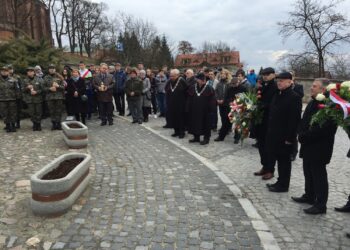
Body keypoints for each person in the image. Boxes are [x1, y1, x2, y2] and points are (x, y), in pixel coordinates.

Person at [291, 78, 337, 214]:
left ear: (323, 89)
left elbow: (325, 128)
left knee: (318, 175)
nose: (311, 88)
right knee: (308, 171)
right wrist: (300, 132)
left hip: (319, 146)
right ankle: (309, 195)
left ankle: (321, 204)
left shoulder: (329, 105)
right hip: (308, 144)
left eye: (315, 86)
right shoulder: (313, 101)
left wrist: (305, 135)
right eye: (312, 85)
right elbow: (304, 120)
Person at [265, 72, 302, 192]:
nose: (279, 82)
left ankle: (283, 185)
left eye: (282, 80)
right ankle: (280, 181)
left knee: (284, 162)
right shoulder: (278, 94)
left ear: (289, 82)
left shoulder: (294, 97)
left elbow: (294, 120)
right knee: (278, 159)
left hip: (285, 137)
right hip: (274, 134)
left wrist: (290, 138)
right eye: (278, 80)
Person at [253, 67, 278, 180]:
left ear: (273, 75)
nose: (265, 76)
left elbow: (272, 103)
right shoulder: (263, 85)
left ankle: (270, 170)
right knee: (261, 145)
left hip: (269, 120)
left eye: (268, 74)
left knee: (269, 147)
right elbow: (258, 98)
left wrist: (260, 106)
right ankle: (264, 166)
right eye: (264, 74)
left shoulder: (275, 86)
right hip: (260, 120)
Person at [187, 73, 216, 145]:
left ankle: (206, 139)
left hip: (205, 111)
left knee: (206, 124)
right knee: (195, 123)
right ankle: (196, 137)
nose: (202, 81)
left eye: (203, 80)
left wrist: (211, 109)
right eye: (200, 80)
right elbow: (189, 98)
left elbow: (212, 100)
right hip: (195, 110)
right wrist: (188, 107)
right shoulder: (193, 87)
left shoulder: (209, 88)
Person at [165, 69, 188, 139]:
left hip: (180, 104)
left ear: (177, 75)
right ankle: (176, 131)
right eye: (170, 76)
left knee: (180, 118)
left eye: (173, 76)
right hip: (172, 103)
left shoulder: (182, 81)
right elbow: (166, 89)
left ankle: (182, 132)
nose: (171, 77)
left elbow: (186, 92)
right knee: (174, 118)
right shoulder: (169, 81)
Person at [43, 64, 65, 130]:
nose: (52, 69)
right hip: (50, 97)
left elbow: (64, 87)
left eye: (53, 68)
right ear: (48, 70)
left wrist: (58, 86)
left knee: (59, 111)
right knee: (52, 111)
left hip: (59, 97)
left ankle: (58, 124)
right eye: (50, 68)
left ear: (55, 69)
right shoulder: (45, 78)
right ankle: (53, 124)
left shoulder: (60, 77)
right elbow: (43, 88)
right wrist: (49, 89)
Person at [290, 71, 304, 161]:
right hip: (286, 112)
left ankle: (294, 153)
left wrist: (292, 88)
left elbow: (300, 95)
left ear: (294, 78)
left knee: (293, 134)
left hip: (295, 112)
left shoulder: (298, 86)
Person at [0, 65, 19, 132]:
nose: (4, 72)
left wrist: (18, 98)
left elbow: (17, 90)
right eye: (2, 71)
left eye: (6, 71)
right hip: (2, 100)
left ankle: (13, 126)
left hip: (12, 99)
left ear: (8, 72)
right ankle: (7, 126)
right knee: (5, 113)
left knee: (13, 113)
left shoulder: (14, 80)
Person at [215, 69, 231, 138]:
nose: (222, 75)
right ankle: (224, 128)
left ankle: (227, 129)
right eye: (221, 74)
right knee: (222, 116)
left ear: (227, 75)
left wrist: (223, 100)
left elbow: (228, 94)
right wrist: (217, 99)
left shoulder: (229, 83)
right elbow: (216, 92)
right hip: (220, 103)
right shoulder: (219, 83)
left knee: (227, 117)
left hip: (227, 103)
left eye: (224, 74)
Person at [8, 65, 22, 129]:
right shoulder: (4, 77)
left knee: (17, 111)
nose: (10, 70)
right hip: (7, 97)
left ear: (13, 69)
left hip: (16, 97)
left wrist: (19, 96)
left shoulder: (17, 77)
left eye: (11, 69)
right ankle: (8, 124)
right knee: (8, 111)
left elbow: (20, 86)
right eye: (9, 69)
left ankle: (18, 123)